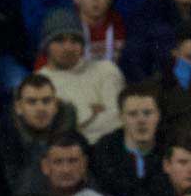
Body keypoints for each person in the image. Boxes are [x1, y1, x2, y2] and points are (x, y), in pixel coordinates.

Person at [36, 8, 126, 144]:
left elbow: (118, 122)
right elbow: (52, 133)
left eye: (75, 40)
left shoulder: (106, 70)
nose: (68, 47)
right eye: (60, 40)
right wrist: (94, 114)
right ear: (46, 45)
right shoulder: (39, 83)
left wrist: (78, 122)